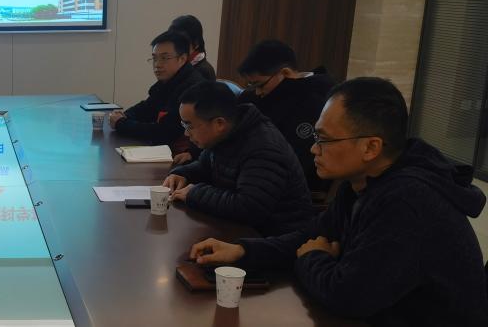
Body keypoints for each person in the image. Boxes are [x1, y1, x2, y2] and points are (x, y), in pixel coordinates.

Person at [189, 78, 488, 326]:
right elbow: (311, 235)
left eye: (324, 140)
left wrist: (312, 258)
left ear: (371, 147)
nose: (313, 149)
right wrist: (243, 250)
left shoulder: (407, 201)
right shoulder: (362, 181)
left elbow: (348, 297)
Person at [163, 81, 312, 236]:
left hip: (275, 237)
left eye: (190, 126)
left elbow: (249, 208)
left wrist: (195, 194)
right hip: (239, 229)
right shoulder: (225, 134)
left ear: (219, 123)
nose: (186, 134)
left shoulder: (263, 147)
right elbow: (204, 166)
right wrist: (182, 174)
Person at [237, 40, 335, 192]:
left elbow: (301, 162)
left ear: (285, 73)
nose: (258, 92)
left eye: (260, 85)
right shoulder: (256, 97)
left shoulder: (317, 100)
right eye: (251, 85)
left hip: (286, 187)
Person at [110, 30, 205, 154]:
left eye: (165, 58)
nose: (157, 64)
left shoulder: (191, 88)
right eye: (155, 58)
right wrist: (124, 116)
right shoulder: (169, 81)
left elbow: (164, 132)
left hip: (181, 155)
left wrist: (121, 124)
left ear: (182, 59)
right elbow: (147, 108)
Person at [169, 14, 216, 81]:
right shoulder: (178, 65)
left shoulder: (203, 71)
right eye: (173, 41)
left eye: (181, 42)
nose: (176, 47)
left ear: (196, 43)